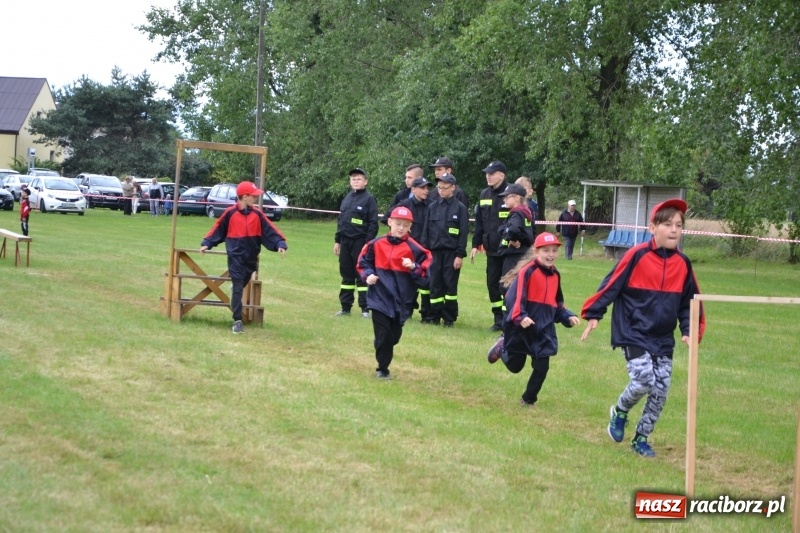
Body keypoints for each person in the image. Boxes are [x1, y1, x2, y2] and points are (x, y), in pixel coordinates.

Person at [580, 198, 705, 458]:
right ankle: (620, 411)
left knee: (661, 390)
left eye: (679, 225)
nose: (674, 230)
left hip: (662, 338)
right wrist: (594, 313)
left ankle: (641, 438)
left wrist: (689, 329)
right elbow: (610, 284)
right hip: (633, 332)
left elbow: (690, 302)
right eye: (668, 224)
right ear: (652, 228)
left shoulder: (683, 264)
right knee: (643, 380)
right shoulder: (636, 256)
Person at [487, 232, 580, 407]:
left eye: (554, 250)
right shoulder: (527, 272)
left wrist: (568, 316)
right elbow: (514, 298)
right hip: (521, 327)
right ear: (536, 252)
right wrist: (520, 317)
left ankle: (528, 399)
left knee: (542, 367)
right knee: (515, 367)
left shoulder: (555, 275)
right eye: (546, 251)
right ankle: (503, 345)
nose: (551, 254)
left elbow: (556, 303)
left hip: (543, 329)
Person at [200, 181, 287, 334]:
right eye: (253, 196)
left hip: (251, 258)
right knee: (238, 287)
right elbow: (217, 228)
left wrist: (280, 243)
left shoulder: (258, 214)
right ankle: (238, 320)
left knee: (241, 283)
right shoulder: (230, 213)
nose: (255, 198)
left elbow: (270, 230)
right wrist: (207, 243)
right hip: (235, 257)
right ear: (244, 197)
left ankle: (236, 289)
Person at [357, 206, 432, 379]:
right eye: (398, 223)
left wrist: (413, 267)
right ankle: (383, 369)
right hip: (379, 296)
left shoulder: (416, 250)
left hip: (402, 300)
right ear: (389, 222)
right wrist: (368, 276)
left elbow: (426, 276)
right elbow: (363, 263)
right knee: (383, 335)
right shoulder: (375, 244)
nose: (401, 228)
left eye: (405, 225)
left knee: (393, 337)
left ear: (410, 227)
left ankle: (382, 345)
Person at [420, 173, 468, 327]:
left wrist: (459, 255)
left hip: (451, 254)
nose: (440, 190)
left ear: (453, 187)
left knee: (450, 285)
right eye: (439, 188)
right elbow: (426, 231)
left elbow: (463, 233)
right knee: (435, 285)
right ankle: (434, 315)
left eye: (444, 188)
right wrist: (425, 253)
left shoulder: (460, 208)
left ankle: (449, 318)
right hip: (434, 253)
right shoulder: (432, 207)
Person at [470, 160, 510, 331]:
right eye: (487, 173)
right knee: (492, 284)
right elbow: (479, 222)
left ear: (501, 175)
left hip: (508, 250)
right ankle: (498, 319)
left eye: (492, 173)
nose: (488, 176)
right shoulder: (484, 194)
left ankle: (508, 319)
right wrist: (475, 244)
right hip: (491, 249)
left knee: (507, 285)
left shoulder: (511, 193)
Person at [334, 168, 378, 318]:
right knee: (346, 275)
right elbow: (341, 222)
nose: (356, 181)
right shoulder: (347, 198)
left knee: (362, 276)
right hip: (345, 242)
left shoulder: (369, 199)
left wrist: (368, 244)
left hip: (360, 242)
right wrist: (337, 241)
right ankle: (345, 307)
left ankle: (365, 309)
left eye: (359, 178)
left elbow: (373, 224)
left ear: (365, 181)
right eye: (353, 178)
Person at [396, 177, 434, 321]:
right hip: (408, 249)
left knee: (425, 281)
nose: (426, 191)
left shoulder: (432, 205)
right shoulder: (404, 205)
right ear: (413, 189)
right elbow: (389, 219)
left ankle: (426, 314)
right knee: (407, 281)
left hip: (425, 250)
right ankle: (406, 311)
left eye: (427, 188)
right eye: (423, 188)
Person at [496, 183, 534, 277]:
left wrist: (512, 239)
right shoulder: (526, 212)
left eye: (507, 197)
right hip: (524, 253)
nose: (504, 200)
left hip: (514, 255)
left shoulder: (516, 213)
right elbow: (533, 231)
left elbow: (513, 230)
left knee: (507, 285)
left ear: (517, 198)